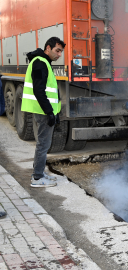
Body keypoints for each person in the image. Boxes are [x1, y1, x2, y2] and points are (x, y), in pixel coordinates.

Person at [22, 37, 65, 188]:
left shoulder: (43, 62)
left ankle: (39, 172)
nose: (59, 54)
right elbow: (39, 91)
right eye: (57, 50)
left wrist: (55, 112)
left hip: (43, 110)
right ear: (48, 48)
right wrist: (49, 112)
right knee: (43, 144)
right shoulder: (40, 63)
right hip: (43, 111)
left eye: (61, 51)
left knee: (43, 144)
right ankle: (37, 178)